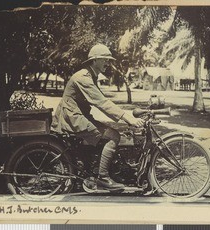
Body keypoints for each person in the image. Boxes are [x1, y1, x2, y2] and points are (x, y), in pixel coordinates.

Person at [52, 44, 144, 191]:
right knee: (114, 136)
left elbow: (101, 101)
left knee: (106, 134)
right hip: (73, 119)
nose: (108, 63)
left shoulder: (91, 76)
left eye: (108, 60)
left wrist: (125, 116)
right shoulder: (83, 78)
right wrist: (128, 119)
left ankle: (99, 170)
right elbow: (101, 102)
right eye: (104, 60)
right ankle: (103, 178)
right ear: (94, 61)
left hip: (78, 116)